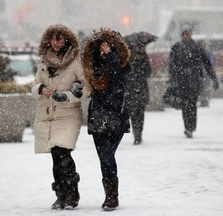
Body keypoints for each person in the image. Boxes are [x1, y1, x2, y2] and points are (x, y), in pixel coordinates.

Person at [31, 24, 91, 210]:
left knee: (62, 152)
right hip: (48, 114)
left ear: (66, 40)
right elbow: (34, 85)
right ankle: (61, 195)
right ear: (49, 40)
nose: (56, 43)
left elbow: (87, 88)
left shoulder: (75, 62)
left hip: (68, 115)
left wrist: (68, 96)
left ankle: (72, 192)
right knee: (56, 157)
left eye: (60, 39)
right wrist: (41, 89)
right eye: (53, 39)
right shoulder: (43, 62)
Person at [82, 29, 131, 211]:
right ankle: (109, 195)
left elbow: (117, 82)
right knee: (104, 158)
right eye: (101, 46)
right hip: (98, 116)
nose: (103, 50)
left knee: (107, 155)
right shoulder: (92, 65)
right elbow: (89, 83)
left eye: (107, 46)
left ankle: (112, 196)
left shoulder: (122, 64)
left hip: (116, 116)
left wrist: (110, 57)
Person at [168, 25, 219, 138]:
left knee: (192, 105)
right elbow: (171, 66)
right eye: (184, 34)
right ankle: (187, 127)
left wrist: (214, 78)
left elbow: (207, 64)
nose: (186, 36)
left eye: (188, 34)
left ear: (190, 35)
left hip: (194, 81)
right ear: (182, 35)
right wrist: (172, 80)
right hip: (182, 82)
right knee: (185, 106)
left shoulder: (197, 47)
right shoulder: (176, 47)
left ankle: (191, 127)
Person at [124, 32, 157, 145]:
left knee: (135, 112)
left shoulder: (127, 58)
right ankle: (138, 134)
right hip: (139, 87)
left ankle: (137, 134)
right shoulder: (142, 56)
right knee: (139, 112)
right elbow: (148, 72)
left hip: (132, 88)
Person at [198, 40, 216, 107]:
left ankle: (205, 101)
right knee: (202, 87)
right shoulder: (199, 52)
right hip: (201, 73)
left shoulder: (208, 52)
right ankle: (203, 100)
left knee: (206, 87)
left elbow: (211, 62)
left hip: (206, 73)